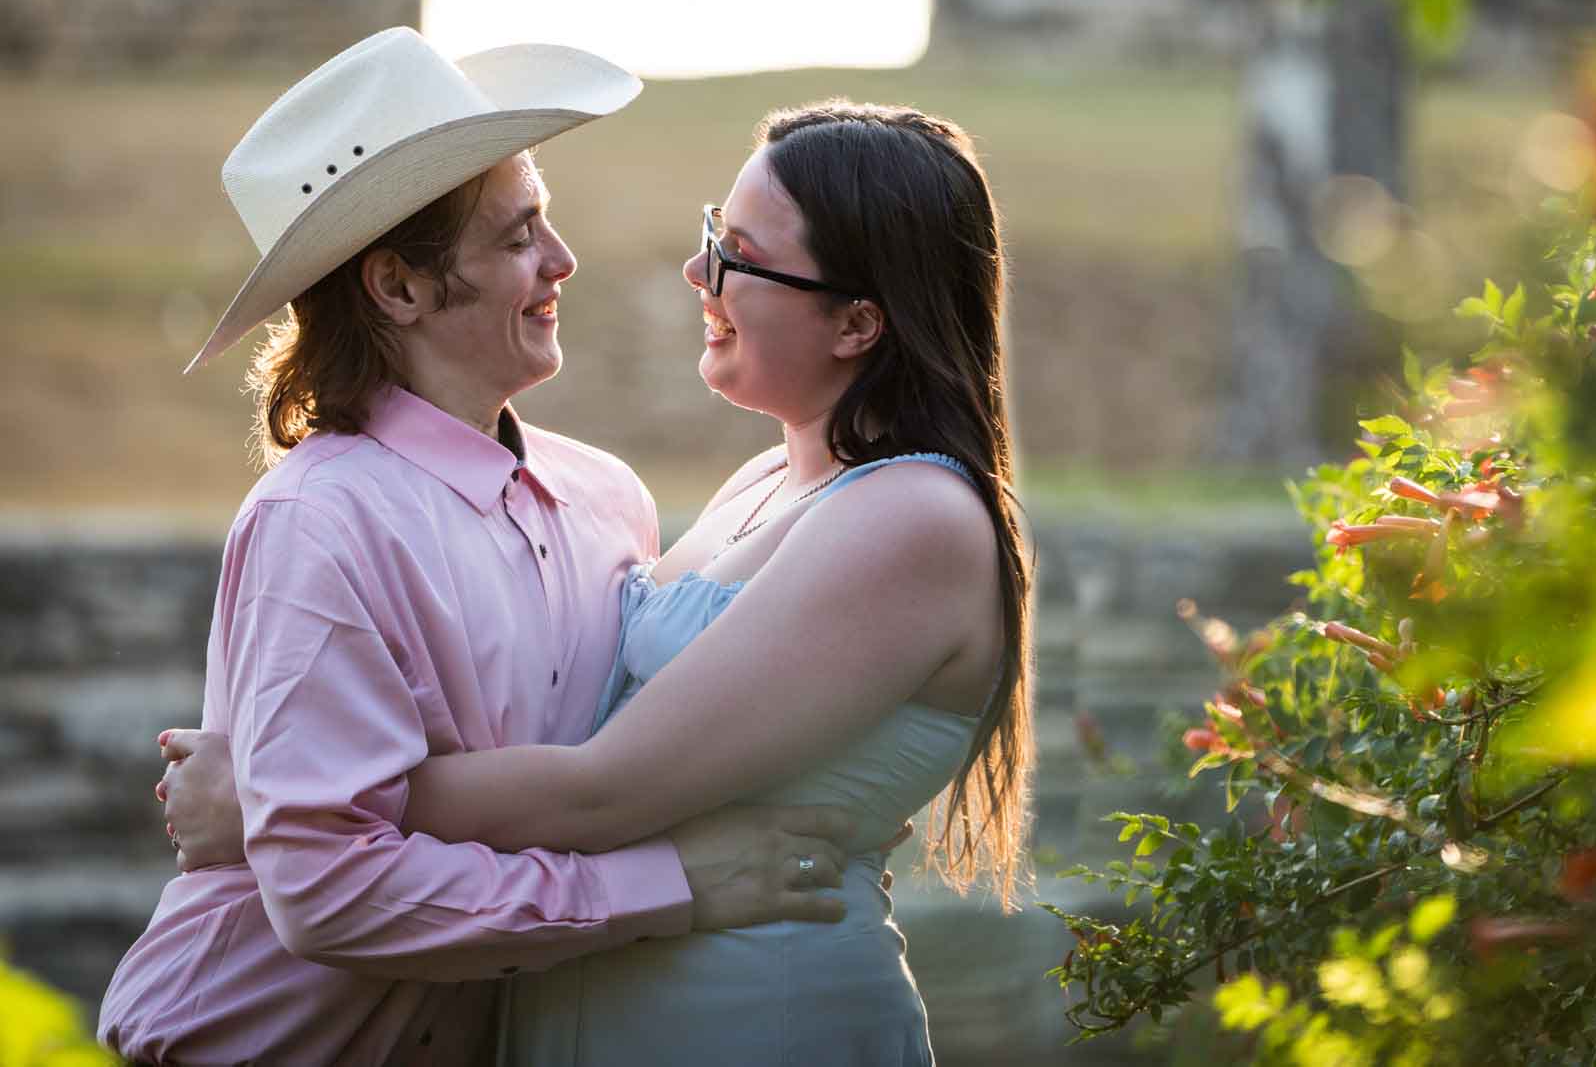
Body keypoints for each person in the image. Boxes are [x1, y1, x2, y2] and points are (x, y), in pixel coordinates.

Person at [160, 99, 1038, 1064]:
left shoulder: (910, 517)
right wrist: (307, 804)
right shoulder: (750, 486)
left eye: (739, 254)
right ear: (396, 288)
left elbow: (600, 787)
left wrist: (272, 799)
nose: (698, 271)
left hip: (758, 1020)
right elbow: (566, 734)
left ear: (859, 322)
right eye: (716, 233)